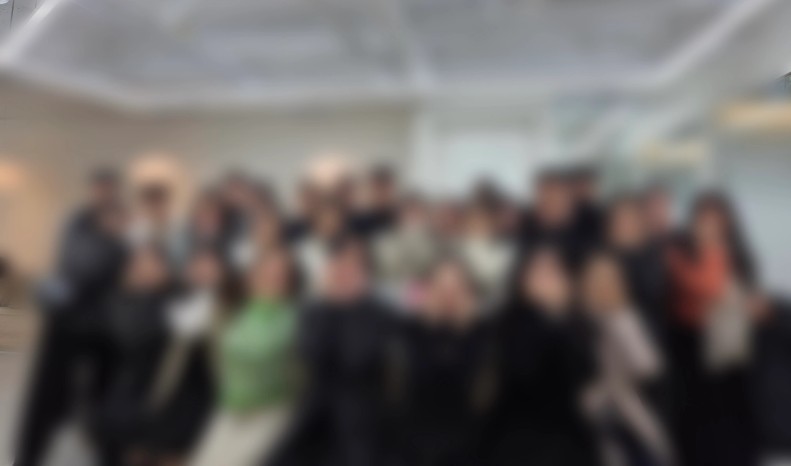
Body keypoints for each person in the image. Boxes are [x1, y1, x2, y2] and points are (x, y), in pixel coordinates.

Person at [15, 201, 129, 466]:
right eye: (109, 217)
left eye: (117, 218)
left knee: (93, 403)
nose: (113, 224)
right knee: (52, 402)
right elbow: (70, 282)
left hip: (101, 337)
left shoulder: (117, 250)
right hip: (72, 331)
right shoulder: (88, 244)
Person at [269, 237, 398, 466]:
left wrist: (350, 307)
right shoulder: (315, 310)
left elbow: (356, 359)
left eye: (353, 267)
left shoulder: (380, 314)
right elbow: (311, 354)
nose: (344, 272)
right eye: (339, 265)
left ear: (365, 274)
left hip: (361, 421)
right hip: (315, 415)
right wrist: (332, 306)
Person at [484, 246, 599, 466]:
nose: (546, 281)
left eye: (553, 272)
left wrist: (558, 317)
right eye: (538, 272)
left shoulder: (580, 324)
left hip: (570, 441)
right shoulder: (508, 323)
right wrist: (546, 319)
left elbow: (582, 377)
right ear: (523, 280)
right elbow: (522, 374)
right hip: (518, 439)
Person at [666, 191, 757, 466]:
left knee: (723, 415)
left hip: (722, 343)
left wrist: (684, 263)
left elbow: (713, 287)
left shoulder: (728, 252)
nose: (708, 225)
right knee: (692, 416)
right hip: (685, 340)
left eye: (715, 219)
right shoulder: (682, 248)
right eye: (703, 218)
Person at [192, 248, 301, 466]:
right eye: (265, 272)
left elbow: (272, 357)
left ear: (289, 281)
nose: (271, 279)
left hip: (271, 412)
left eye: (279, 275)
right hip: (230, 409)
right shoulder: (233, 311)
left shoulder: (294, 318)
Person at [393, 257, 497, 466]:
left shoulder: (484, 336)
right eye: (441, 288)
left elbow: (479, 400)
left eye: (456, 289)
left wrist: (465, 333)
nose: (449, 297)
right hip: (414, 449)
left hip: (470, 449)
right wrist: (429, 328)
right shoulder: (408, 333)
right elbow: (407, 391)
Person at [580, 253, 670, 466]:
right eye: (595, 281)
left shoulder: (624, 319)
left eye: (607, 281)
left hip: (626, 413)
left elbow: (648, 366)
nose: (601, 287)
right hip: (589, 419)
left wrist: (609, 386)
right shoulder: (578, 322)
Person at [91, 245, 177, 466]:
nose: (145, 270)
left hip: (145, 415)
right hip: (112, 408)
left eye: (153, 265)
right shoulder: (121, 300)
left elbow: (135, 338)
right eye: (140, 264)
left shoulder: (168, 308)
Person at [605, 195, 669, 348]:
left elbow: (653, 291)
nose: (624, 226)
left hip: (649, 335)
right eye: (619, 221)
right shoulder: (604, 258)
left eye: (629, 220)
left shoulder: (653, 255)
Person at [518, 169, 588, 271]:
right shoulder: (524, 230)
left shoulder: (588, 232)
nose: (551, 204)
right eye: (546, 198)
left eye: (557, 198)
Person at [456, 201, 514, 302]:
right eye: (475, 222)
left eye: (483, 222)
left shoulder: (506, 251)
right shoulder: (458, 250)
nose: (479, 226)